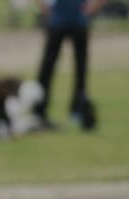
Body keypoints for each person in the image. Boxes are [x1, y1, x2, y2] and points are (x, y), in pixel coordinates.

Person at [34, 0, 104, 131]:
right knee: (47, 69)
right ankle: (39, 111)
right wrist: (43, 6)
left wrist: (94, 5)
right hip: (57, 20)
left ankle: (79, 110)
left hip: (79, 19)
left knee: (81, 70)